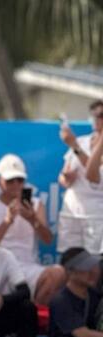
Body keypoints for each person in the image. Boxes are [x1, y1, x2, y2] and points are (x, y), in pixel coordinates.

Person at [0, 154, 65, 310]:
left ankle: (34, 313)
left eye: (20, 180)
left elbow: (47, 240)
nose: (15, 185)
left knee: (58, 273)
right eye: (10, 181)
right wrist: (7, 221)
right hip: (0, 268)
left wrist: (32, 219)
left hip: (29, 267)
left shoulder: (36, 204)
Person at [46, 249, 103, 337]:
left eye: (94, 266)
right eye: (86, 268)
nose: (93, 271)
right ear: (70, 272)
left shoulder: (93, 296)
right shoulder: (61, 301)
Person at [56, 99, 103, 254]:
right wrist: (66, 178)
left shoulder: (76, 144)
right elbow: (62, 177)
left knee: (93, 261)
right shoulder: (82, 141)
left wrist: (74, 146)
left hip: (95, 214)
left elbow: (94, 175)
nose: (96, 119)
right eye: (94, 115)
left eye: (101, 115)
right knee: (69, 257)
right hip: (71, 211)